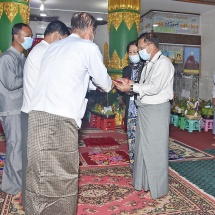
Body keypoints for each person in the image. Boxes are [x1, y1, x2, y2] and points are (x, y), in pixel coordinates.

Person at [25, 12, 114, 214]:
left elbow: (68, 76)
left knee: (38, 169)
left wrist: (91, 85)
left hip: (37, 113)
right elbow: (104, 82)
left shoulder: (53, 46)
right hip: (61, 117)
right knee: (62, 172)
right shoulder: (88, 47)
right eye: (93, 31)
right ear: (90, 29)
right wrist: (106, 84)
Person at [114, 32, 174, 199]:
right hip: (145, 109)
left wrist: (132, 88)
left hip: (156, 110)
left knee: (155, 150)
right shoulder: (149, 64)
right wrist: (129, 83)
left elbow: (154, 88)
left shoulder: (164, 64)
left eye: (140, 48)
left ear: (151, 46)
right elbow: (144, 85)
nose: (139, 52)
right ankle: (146, 185)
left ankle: (158, 190)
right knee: (143, 149)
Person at [21, 20, 70, 209]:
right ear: (57, 35)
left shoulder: (40, 50)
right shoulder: (45, 52)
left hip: (33, 112)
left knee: (34, 161)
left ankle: (32, 202)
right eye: (64, 40)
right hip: (35, 114)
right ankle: (32, 204)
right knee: (35, 163)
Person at [0, 23, 33, 195]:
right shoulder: (7, 58)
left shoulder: (22, 57)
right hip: (11, 108)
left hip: (21, 107)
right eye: (27, 35)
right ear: (16, 37)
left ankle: (13, 183)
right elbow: (11, 83)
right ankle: (12, 186)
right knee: (15, 146)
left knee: (18, 147)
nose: (30, 39)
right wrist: (29, 75)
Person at [121, 40, 144, 172]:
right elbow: (124, 89)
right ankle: (133, 168)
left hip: (142, 109)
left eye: (135, 52)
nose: (133, 54)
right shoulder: (127, 69)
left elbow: (145, 87)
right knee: (131, 140)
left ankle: (142, 169)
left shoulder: (146, 68)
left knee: (142, 141)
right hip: (130, 109)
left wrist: (132, 84)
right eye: (130, 52)